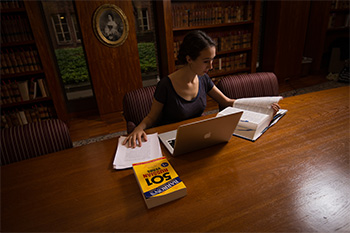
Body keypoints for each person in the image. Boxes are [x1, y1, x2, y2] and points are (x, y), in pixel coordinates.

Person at [123, 30, 280, 148]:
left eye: (212, 60)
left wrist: (263, 108)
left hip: (199, 136)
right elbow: (151, 117)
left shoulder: (203, 79)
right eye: (206, 61)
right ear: (189, 59)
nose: (211, 67)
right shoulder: (165, 85)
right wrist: (138, 128)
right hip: (172, 140)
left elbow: (227, 102)